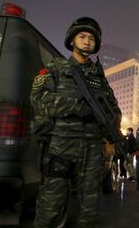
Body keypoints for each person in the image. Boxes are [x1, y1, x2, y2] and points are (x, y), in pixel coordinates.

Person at [30, 17, 121, 227]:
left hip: (91, 146)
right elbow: (38, 98)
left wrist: (112, 124)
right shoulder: (56, 67)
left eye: (91, 38)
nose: (87, 41)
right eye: (82, 37)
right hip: (61, 144)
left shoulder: (98, 76)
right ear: (72, 41)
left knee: (90, 208)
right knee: (51, 205)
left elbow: (113, 107)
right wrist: (76, 107)